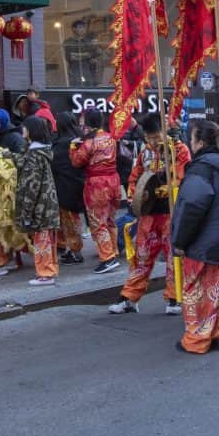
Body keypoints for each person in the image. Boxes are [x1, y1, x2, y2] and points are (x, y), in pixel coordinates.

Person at [171, 119, 219, 354]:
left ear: (200, 142)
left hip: (206, 240)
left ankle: (196, 340)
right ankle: (218, 335)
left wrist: (179, 241)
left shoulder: (202, 168)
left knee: (196, 290)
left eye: (192, 138)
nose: (189, 143)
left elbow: (191, 207)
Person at [108, 113, 191, 316]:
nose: (152, 141)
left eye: (156, 136)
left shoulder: (179, 150)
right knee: (141, 257)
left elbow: (183, 176)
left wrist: (165, 187)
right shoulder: (144, 151)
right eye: (149, 137)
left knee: (174, 258)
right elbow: (134, 178)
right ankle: (129, 298)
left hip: (171, 213)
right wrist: (133, 198)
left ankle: (175, 298)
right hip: (148, 214)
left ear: (164, 131)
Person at [7, 116, 62, 286]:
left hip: (40, 206)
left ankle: (45, 274)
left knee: (42, 240)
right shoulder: (41, 151)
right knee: (47, 240)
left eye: (25, 127)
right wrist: (10, 156)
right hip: (48, 204)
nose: (22, 130)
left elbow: (31, 187)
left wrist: (26, 213)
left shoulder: (34, 155)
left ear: (31, 131)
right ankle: (50, 269)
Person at [69, 108, 122, 274]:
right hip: (114, 181)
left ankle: (107, 258)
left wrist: (72, 147)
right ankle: (113, 251)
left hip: (97, 185)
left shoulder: (89, 143)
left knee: (98, 222)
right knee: (111, 219)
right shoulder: (110, 138)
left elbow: (77, 162)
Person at [51, 112, 86, 264]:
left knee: (68, 220)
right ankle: (72, 249)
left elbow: (54, 166)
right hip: (79, 185)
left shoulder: (60, 144)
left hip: (64, 188)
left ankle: (75, 252)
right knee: (74, 219)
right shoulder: (79, 140)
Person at [63, 19, 101, 87]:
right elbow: (70, 57)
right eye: (80, 27)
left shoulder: (86, 41)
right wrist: (87, 55)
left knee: (89, 88)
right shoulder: (68, 42)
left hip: (87, 70)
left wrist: (78, 55)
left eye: (84, 27)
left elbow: (96, 53)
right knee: (76, 88)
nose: (83, 29)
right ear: (74, 29)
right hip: (74, 70)